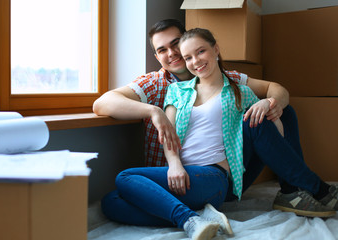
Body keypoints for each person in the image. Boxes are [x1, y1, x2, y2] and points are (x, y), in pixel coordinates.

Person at [94, 19, 338, 218]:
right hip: (174, 172)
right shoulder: (159, 85)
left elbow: (276, 89)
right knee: (111, 202)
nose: (174, 54)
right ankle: (184, 215)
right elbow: (101, 103)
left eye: (177, 45)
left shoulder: (229, 80)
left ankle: (296, 189)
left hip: (220, 171)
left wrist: (271, 103)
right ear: (157, 56)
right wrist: (152, 111)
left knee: (278, 110)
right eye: (162, 50)